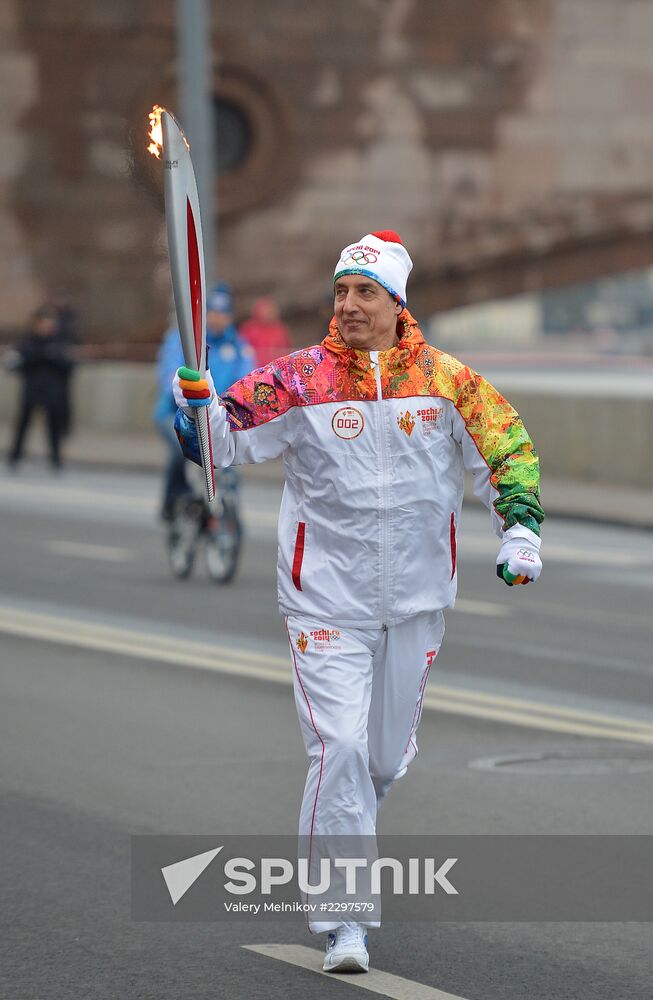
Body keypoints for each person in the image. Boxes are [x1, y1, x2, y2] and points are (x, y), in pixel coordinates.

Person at [172, 231, 544, 972]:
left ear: (396, 303)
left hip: (414, 599)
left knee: (379, 762)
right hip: (322, 600)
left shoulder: (447, 380)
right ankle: (345, 923)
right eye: (339, 291)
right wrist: (197, 409)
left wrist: (520, 531)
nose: (346, 305)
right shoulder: (297, 379)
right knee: (337, 748)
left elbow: (506, 449)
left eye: (363, 292)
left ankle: (344, 834)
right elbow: (218, 444)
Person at [153, 282, 255, 520]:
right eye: (213, 312)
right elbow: (170, 373)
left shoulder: (239, 347)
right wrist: (183, 390)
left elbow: (249, 380)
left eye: (223, 313)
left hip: (218, 416)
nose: (218, 318)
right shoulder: (182, 340)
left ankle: (229, 515)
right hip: (176, 414)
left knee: (230, 456)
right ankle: (173, 502)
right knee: (182, 451)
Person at [6, 305, 75, 470]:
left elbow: (69, 366)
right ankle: (15, 457)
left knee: (53, 428)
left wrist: (54, 357)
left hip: (53, 392)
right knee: (23, 424)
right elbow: (15, 364)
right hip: (32, 390)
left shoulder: (59, 342)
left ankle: (55, 459)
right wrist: (37, 355)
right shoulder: (28, 342)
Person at [240, 297, 292, 367]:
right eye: (266, 310)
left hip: (276, 368)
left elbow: (286, 349)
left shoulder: (280, 329)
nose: (269, 313)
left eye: (271, 310)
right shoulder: (249, 328)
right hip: (255, 368)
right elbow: (243, 349)